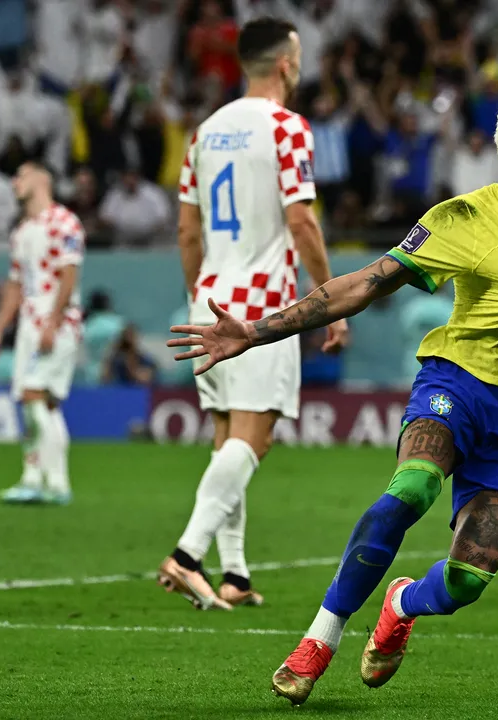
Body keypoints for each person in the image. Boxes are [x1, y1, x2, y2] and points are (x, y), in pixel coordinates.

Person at [168, 85, 498, 704]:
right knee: (413, 486)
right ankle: (319, 638)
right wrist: (256, 331)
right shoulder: (462, 220)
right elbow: (362, 286)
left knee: (467, 580)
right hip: (456, 383)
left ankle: (402, 603)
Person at [157, 17, 349, 612]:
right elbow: (302, 221)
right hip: (262, 305)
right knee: (254, 437)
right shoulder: (288, 127)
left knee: (226, 437)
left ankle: (234, 574)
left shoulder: (204, 133)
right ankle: (187, 556)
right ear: (288, 64)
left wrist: (200, 294)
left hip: (210, 295)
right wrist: (329, 300)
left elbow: (188, 230)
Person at [0, 161, 84, 505]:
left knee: (33, 396)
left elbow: (69, 275)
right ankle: (43, 479)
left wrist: (54, 322)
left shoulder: (64, 222)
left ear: (41, 180)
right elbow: (14, 286)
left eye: (21, 175)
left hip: (57, 318)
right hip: (29, 322)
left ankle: (51, 482)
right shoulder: (22, 231)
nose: (14, 182)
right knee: (42, 405)